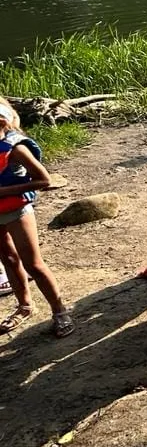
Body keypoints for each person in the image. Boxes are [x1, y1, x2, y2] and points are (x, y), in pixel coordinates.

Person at [0, 100, 73, 337]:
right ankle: (25, 306)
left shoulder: (16, 149)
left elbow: (44, 180)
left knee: (33, 264)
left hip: (17, 210)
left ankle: (60, 311)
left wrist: (5, 192)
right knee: (8, 259)